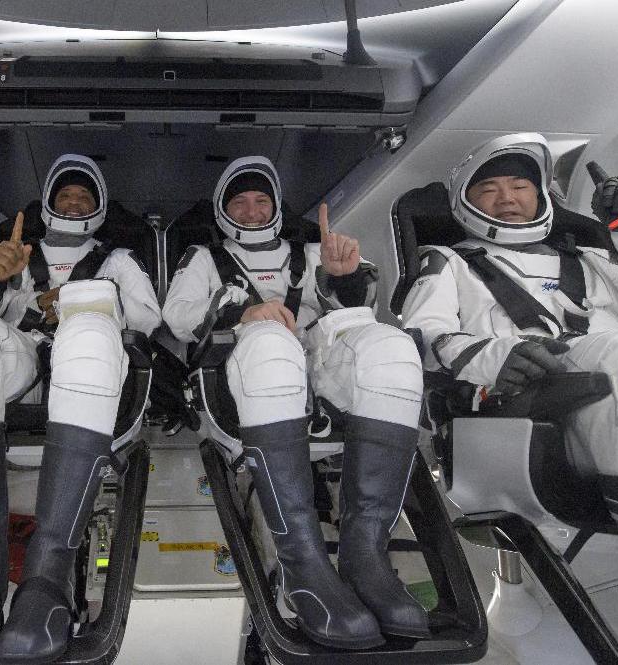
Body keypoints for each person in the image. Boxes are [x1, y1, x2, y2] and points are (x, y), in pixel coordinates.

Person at [401, 132, 618, 663]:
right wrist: (493, 356)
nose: (507, 197)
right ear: (464, 205)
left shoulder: (594, 259)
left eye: (520, 185)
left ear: (541, 194)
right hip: (528, 404)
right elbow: (423, 338)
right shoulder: (448, 263)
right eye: (489, 189)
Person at [162, 156, 429, 649]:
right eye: (240, 203)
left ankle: (365, 556)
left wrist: (344, 279)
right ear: (222, 210)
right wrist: (244, 310)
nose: (252, 211)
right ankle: (302, 566)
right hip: (247, 371)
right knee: (270, 340)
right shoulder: (204, 258)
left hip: (319, 369)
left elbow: (352, 315)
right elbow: (177, 316)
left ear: (276, 208)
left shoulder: (312, 252)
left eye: (261, 201)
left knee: (392, 347)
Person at [0, 154, 160, 664]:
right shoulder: (12, 252)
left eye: (83, 197)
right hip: (23, 365)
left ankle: (48, 580)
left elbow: (147, 320)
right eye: (65, 196)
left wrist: (84, 299)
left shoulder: (119, 259)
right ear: (48, 203)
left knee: (89, 331)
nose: (73, 204)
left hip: (92, 368)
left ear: (98, 207)